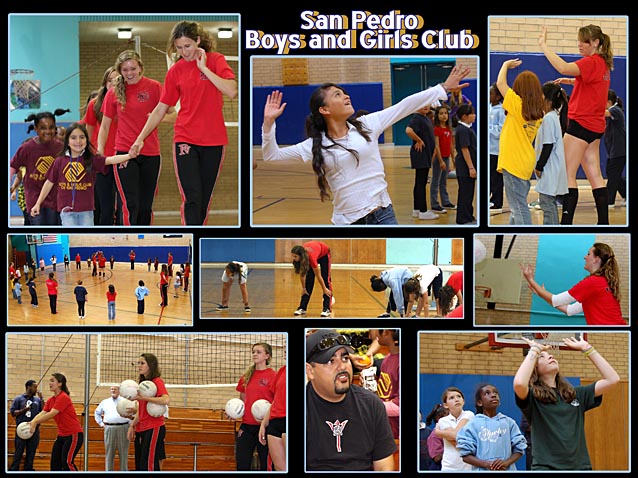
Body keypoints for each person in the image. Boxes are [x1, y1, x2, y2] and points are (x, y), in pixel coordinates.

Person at [261, 65, 470, 225]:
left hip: (384, 214)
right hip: (348, 221)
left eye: (344, 92)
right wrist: (268, 125)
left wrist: (442, 88)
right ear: (324, 110)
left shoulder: (367, 124)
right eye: (337, 95)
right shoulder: (315, 145)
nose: (346, 96)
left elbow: (404, 105)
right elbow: (272, 156)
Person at [130, 20, 237, 225]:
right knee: (192, 197)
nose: (184, 51)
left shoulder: (216, 60)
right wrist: (140, 138)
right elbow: (161, 108)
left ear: (198, 40)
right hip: (185, 138)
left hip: (214, 140)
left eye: (187, 46)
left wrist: (204, 68)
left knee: (203, 200)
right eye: (179, 48)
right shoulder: (176, 71)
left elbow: (231, 91)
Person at [539, 25, 614, 225]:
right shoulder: (603, 64)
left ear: (596, 43)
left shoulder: (591, 62)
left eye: (584, 41)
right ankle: (603, 222)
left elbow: (563, 66)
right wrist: (573, 82)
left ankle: (566, 223)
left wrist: (543, 45)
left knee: (567, 174)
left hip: (580, 125)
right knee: (595, 176)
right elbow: (593, 84)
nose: (579, 45)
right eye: (579, 40)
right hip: (595, 128)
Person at [513, 335, 620, 470]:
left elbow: (613, 379)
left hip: (580, 468)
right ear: (534, 369)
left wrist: (587, 348)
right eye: (542, 357)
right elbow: (519, 383)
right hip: (546, 468)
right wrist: (535, 350)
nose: (550, 356)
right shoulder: (532, 397)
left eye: (550, 355)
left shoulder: (576, 394)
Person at [306, 329, 397, 470]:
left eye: (345, 358)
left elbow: (384, 466)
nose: (342, 366)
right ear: (310, 371)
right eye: (331, 361)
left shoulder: (372, 404)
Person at [98, 50, 164, 226]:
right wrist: (99, 153)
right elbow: (104, 126)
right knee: (130, 204)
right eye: (125, 70)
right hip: (125, 153)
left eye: (133, 68)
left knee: (145, 205)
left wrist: (156, 116)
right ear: (120, 71)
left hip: (150, 152)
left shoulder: (155, 87)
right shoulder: (114, 93)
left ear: (140, 67)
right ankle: (129, 235)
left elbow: (173, 114)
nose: (129, 73)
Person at [29, 123, 135, 226]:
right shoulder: (59, 161)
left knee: (86, 237)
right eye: (73, 138)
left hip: (86, 211)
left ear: (86, 140)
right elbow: (49, 183)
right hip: (67, 211)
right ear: (67, 141)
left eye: (82, 137)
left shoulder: (91, 159)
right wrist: (38, 203)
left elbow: (110, 160)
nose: (78, 141)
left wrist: (129, 156)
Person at [520, 242, 626, 325]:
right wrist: (541, 293)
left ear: (596, 259)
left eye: (589, 254)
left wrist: (530, 280)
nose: (585, 257)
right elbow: (570, 310)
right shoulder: (602, 282)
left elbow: (555, 300)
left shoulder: (593, 282)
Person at [496, 58, 544, 225]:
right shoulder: (539, 112)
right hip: (524, 162)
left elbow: (500, 84)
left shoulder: (517, 105)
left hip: (514, 162)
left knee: (518, 208)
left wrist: (505, 65)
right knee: (517, 206)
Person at [456, 383, 527, 471]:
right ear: (479, 402)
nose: (493, 395)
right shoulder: (472, 425)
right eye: (487, 393)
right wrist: (487, 464)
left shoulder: (509, 423)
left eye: (495, 393)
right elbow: (465, 456)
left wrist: (506, 463)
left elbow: (519, 449)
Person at [9, 112, 63, 225]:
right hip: (33, 197)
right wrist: (11, 182)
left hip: (54, 198)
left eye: (51, 127)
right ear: (36, 129)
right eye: (43, 128)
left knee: (53, 228)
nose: (48, 131)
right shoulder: (27, 148)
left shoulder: (60, 147)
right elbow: (13, 165)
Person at [84, 66, 120, 226]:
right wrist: (93, 157)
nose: (113, 83)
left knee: (124, 205)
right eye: (110, 80)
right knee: (105, 207)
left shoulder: (126, 102)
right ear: (105, 83)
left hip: (123, 157)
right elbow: (88, 134)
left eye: (117, 80)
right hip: (103, 159)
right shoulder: (94, 104)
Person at [234, 342, 276, 471]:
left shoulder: (273, 376)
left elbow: (277, 400)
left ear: (267, 356)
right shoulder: (246, 376)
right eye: (253, 352)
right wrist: (235, 412)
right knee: (242, 463)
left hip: (266, 427)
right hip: (247, 426)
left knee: (266, 464)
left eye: (258, 352)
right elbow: (243, 399)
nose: (254, 354)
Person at [28, 373, 84, 471]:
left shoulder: (63, 397)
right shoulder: (51, 400)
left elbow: (52, 413)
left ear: (60, 383)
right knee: (55, 464)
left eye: (52, 381)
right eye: (50, 381)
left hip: (73, 435)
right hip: (61, 436)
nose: (50, 383)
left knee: (67, 462)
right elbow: (43, 413)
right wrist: (32, 421)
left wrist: (35, 423)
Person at [533, 81, 570, 225]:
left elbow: (548, 145)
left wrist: (539, 166)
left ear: (547, 100)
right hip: (553, 168)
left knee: (547, 205)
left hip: (549, 169)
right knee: (549, 205)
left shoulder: (549, 119)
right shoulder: (554, 116)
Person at [127, 353, 170, 471]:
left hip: (154, 427)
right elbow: (141, 411)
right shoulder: (143, 385)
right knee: (141, 464)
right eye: (138, 363)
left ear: (150, 365)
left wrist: (143, 398)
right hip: (142, 428)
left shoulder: (157, 382)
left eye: (142, 363)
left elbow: (166, 399)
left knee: (149, 464)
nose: (139, 366)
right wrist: (132, 426)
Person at [405, 104, 438, 220]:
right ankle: (423, 211)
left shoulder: (425, 117)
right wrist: (418, 140)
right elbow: (408, 130)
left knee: (420, 182)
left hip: (425, 154)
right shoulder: (417, 118)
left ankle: (417, 209)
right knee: (421, 183)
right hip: (420, 154)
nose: (426, 107)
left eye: (427, 104)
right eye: (422, 104)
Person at [434, 386, 475, 471]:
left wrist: (439, 433)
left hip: (469, 466)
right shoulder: (443, 420)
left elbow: (455, 435)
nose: (456, 399)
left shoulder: (469, 414)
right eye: (451, 398)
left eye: (459, 396)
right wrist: (464, 448)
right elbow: (456, 437)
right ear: (445, 405)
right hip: (449, 467)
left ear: (463, 401)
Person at [258, 356, 286, 471]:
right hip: (274, 423)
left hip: (287, 420)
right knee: (279, 467)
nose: (285, 353)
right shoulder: (282, 371)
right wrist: (264, 424)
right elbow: (275, 399)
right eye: (285, 350)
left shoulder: (308, 370)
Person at [370, 329, 400, 440]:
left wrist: (372, 406)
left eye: (378, 330)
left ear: (387, 332)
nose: (375, 334)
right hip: (385, 424)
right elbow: (385, 392)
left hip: (396, 430)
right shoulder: (387, 358)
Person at [94, 386, 131, 471]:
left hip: (124, 428)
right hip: (109, 428)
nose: (113, 390)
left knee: (123, 454)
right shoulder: (105, 402)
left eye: (115, 389)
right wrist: (101, 423)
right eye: (112, 389)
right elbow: (97, 413)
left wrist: (130, 425)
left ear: (119, 391)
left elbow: (132, 413)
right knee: (109, 454)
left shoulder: (125, 401)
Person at [10, 379, 44, 471]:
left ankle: (28, 469)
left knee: (31, 452)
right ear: (28, 387)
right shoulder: (19, 399)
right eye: (35, 387)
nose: (36, 389)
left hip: (34, 430)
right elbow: (13, 412)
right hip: (21, 429)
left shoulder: (37, 400)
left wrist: (42, 399)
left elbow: (44, 411)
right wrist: (24, 410)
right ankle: (14, 469)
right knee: (18, 452)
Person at [291, 241, 332, 317]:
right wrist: (303, 288)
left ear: (300, 256)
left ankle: (327, 308)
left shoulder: (311, 258)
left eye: (295, 256)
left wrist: (324, 289)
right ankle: (302, 307)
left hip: (324, 254)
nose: (293, 258)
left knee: (326, 280)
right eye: (292, 256)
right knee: (309, 281)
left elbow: (318, 275)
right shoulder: (301, 259)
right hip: (314, 253)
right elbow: (302, 274)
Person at [453, 104, 477, 224]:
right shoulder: (462, 130)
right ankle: (463, 218)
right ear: (464, 116)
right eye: (471, 114)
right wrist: (471, 167)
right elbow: (464, 149)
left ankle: (468, 216)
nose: (474, 116)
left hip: (467, 167)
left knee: (469, 193)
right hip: (465, 168)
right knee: (465, 193)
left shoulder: (467, 128)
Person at [431, 104, 456, 213]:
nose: (444, 116)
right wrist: (440, 161)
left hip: (446, 158)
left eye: (445, 113)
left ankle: (445, 202)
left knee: (443, 181)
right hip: (438, 159)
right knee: (436, 181)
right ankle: (434, 204)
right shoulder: (437, 129)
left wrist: (453, 159)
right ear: (437, 116)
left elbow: (450, 144)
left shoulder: (448, 129)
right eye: (441, 114)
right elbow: (436, 146)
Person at [604, 89, 626, 208]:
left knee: (612, 175)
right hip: (615, 150)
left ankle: (609, 201)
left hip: (619, 150)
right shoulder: (613, 110)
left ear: (608, 102)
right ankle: (626, 193)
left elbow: (603, 113)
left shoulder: (615, 110)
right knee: (613, 173)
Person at [489, 83, 506, 213]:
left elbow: (501, 130)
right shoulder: (489, 108)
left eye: (491, 94)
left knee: (496, 178)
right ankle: (489, 199)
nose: (488, 96)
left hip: (496, 150)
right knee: (489, 176)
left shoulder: (501, 111)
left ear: (498, 96)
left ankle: (497, 202)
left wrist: (488, 129)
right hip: (488, 149)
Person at [425, 403, 449, 471]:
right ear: (439, 419)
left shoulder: (451, 432)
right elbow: (437, 458)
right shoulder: (434, 436)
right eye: (448, 416)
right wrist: (451, 447)